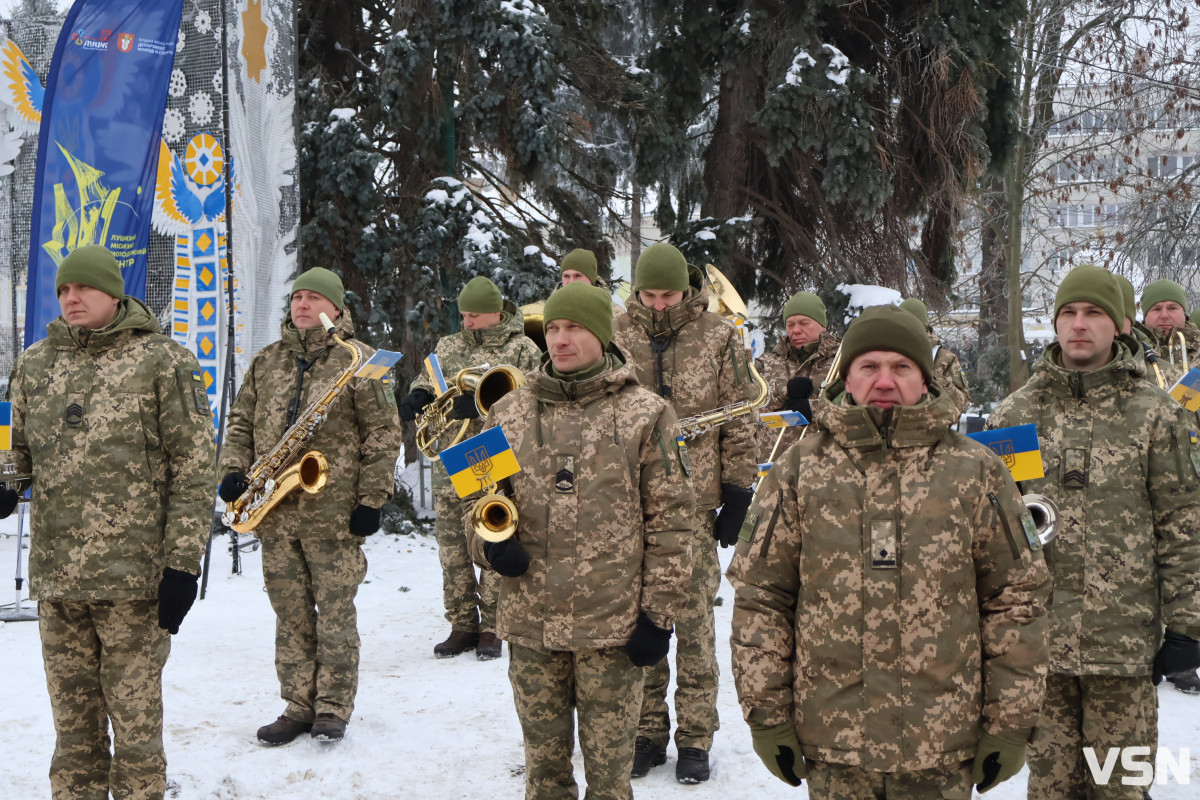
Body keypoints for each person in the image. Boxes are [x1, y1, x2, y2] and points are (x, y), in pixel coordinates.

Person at [728, 304, 1051, 799]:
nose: (884, 380)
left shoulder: (977, 471)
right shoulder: (799, 470)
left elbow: (1016, 599)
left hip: (941, 747)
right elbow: (761, 598)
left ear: (924, 379)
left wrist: (1009, 723)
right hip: (835, 746)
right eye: (869, 366)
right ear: (847, 378)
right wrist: (766, 716)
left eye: (901, 367)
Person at [0, 245, 215, 800]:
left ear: (113, 293)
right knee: (74, 735)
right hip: (58, 580)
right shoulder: (35, 363)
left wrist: (181, 566)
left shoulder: (164, 361)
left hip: (135, 584)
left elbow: (194, 470)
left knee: (137, 732)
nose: (71, 298)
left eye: (83, 289)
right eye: (64, 290)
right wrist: (6, 481)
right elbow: (18, 450)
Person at [465, 281, 694, 800]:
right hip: (530, 624)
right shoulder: (505, 412)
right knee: (544, 780)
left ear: (602, 334)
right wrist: (491, 544)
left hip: (610, 628)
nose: (560, 340)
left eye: (573, 328)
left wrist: (658, 617)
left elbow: (673, 523)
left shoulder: (648, 413)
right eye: (552, 329)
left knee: (611, 782)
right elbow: (472, 503)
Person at [988, 264, 1200, 797]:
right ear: (1056, 324)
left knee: (1122, 787)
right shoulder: (1016, 416)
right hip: (1040, 649)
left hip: (1124, 651)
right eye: (1069, 313)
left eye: (1095, 313)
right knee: (1051, 788)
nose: (1079, 324)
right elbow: (994, 533)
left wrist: (1187, 626)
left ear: (1120, 326)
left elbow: (1184, 523)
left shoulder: (1155, 415)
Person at [218, 267, 402, 745]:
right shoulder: (266, 361)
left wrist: (371, 499)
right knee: (291, 612)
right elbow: (240, 422)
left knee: (336, 611)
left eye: (314, 297)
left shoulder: (363, 361)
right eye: (297, 297)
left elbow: (383, 435)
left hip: (335, 514)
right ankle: (297, 704)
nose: (302, 304)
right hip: (275, 511)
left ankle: (333, 706)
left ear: (337, 310)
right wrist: (233, 471)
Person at [612, 242, 758, 783]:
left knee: (695, 622)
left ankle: (696, 737)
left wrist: (738, 493)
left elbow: (743, 421)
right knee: (638, 618)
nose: (656, 304)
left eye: (667, 294)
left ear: (687, 290)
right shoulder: (617, 333)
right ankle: (647, 730)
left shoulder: (720, 337)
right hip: (626, 502)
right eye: (647, 294)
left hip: (695, 505)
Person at [398, 275, 541, 660]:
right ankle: (462, 623)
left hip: (498, 460)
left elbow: (534, 398)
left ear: (497, 312)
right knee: (452, 549)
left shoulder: (523, 348)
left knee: (493, 538)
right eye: (463, 316)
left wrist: (481, 406)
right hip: (453, 458)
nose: (467, 323)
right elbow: (430, 377)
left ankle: (494, 626)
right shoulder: (450, 345)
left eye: (474, 316)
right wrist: (420, 393)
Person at [754, 290, 840, 460]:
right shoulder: (767, 362)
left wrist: (814, 409)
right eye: (790, 324)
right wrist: (784, 390)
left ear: (822, 325)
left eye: (804, 323)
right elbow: (749, 403)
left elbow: (853, 408)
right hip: (774, 467)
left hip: (825, 466)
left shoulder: (841, 361)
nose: (796, 330)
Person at [898, 297, 972, 416]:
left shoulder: (944, 358)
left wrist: (936, 381)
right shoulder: (887, 354)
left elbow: (962, 404)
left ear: (924, 328)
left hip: (932, 428)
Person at [1141, 278, 1200, 370]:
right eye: (1157, 309)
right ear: (1145, 316)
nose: (1164, 315)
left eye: (1172, 308)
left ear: (1184, 313)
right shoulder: (1132, 351)